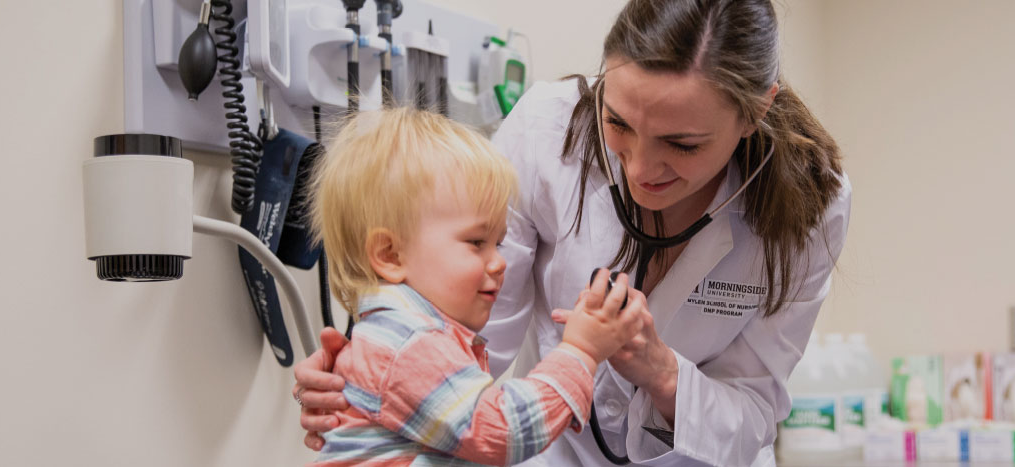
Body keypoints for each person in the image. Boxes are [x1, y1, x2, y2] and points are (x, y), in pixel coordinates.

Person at [296, 0, 852, 465]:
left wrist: (662, 374)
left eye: (682, 145)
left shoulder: (811, 201)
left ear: (756, 111)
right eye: (619, 123)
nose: (639, 169)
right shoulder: (547, 132)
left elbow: (754, 410)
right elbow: (464, 343)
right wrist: (375, 381)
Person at [303, 107, 646, 466]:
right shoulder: (409, 345)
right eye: (476, 243)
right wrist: (580, 352)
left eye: (498, 244)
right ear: (389, 254)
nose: (499, 263)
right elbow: (503, 432)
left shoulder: (402, 337)